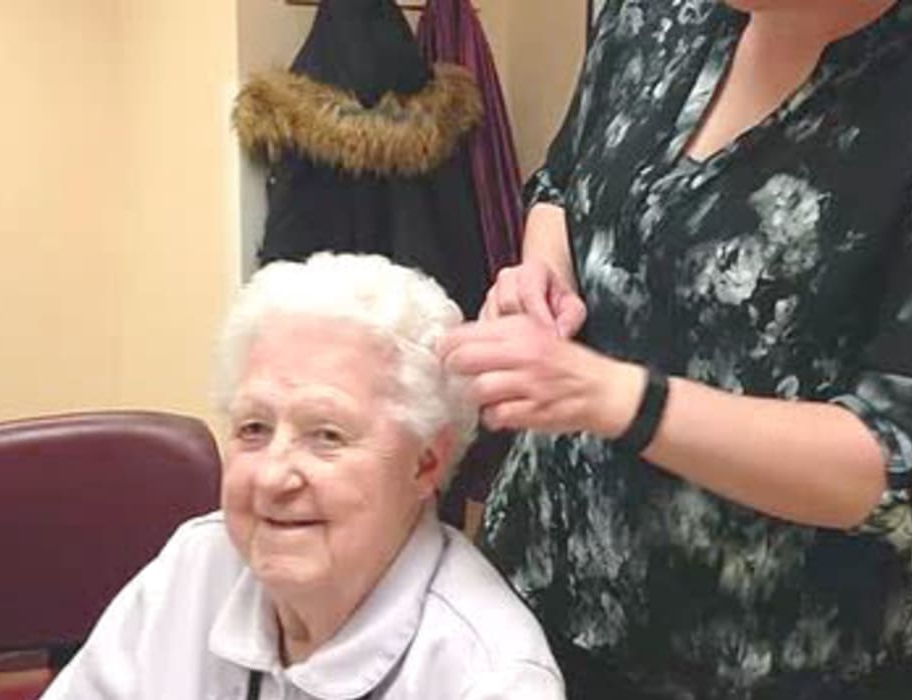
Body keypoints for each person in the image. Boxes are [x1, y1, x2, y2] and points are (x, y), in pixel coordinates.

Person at [439, 1, 912, 698]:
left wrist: (616, 398)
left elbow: (896, 462)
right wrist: (545, 277)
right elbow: (564, 181)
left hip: (769, 659)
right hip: (541, 586)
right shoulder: (658, 13)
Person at [39, 253, 564, 700]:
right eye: (253, 428)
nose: (272, 476)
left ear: (425, 463)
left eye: (326, 435)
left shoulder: (487, 676)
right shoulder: (196, 567)